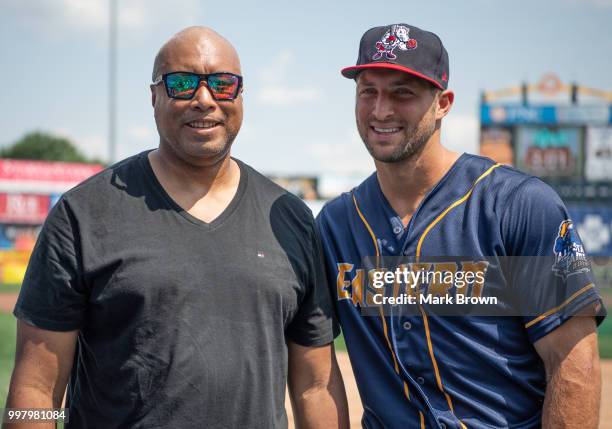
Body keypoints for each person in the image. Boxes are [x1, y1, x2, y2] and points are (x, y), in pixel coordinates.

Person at [5, 27, 348, 429]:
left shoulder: (289, 218)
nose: (204, 100)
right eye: (182, 84)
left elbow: (315, 385)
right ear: (154, 97)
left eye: (223, 84)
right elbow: (36, 391)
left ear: (240, 96)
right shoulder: (83, 213)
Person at [316, 23, 606, 428]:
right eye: (369, 91)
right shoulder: (336, 225)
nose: (381, 110)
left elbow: (573, 365)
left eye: (403, 92)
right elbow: (312, 367)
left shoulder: (519, 205)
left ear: (443, 103)